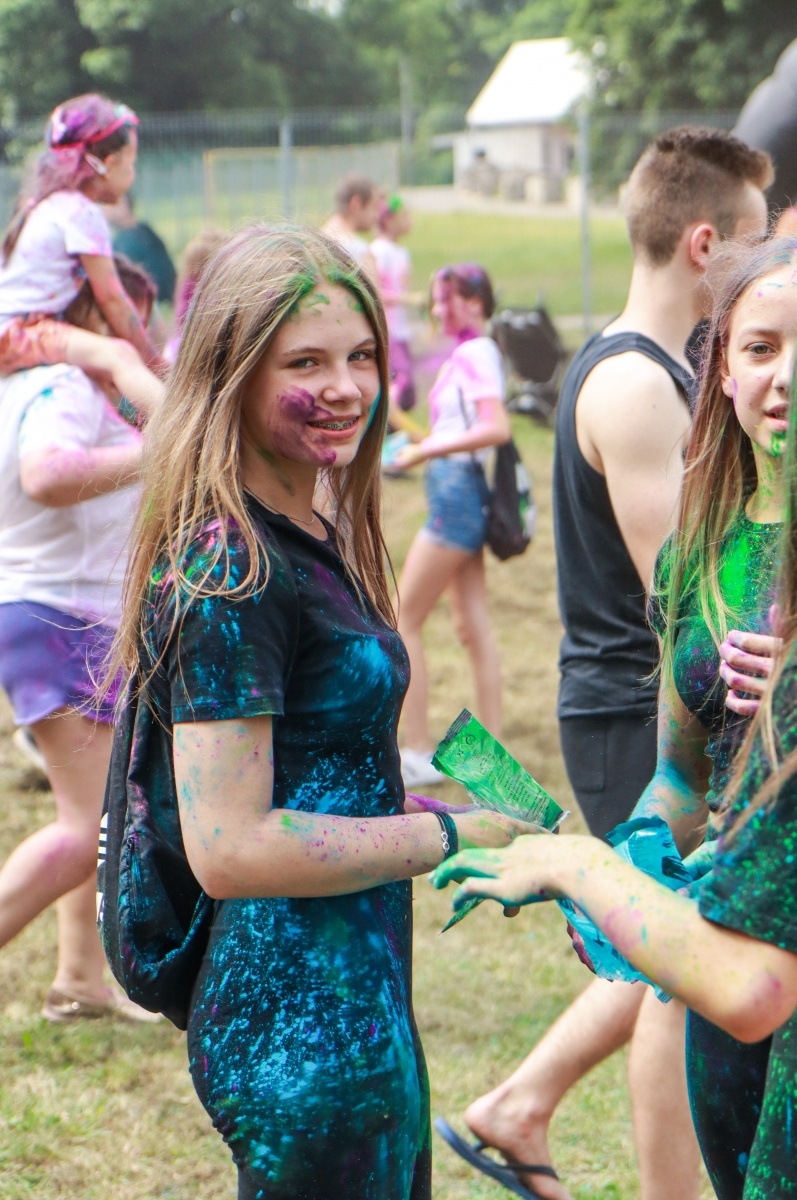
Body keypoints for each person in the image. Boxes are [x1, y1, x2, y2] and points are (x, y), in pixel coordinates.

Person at [101, 225, 538, 1199]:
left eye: (361, 356)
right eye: (304, 362)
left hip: (354, 998)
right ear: (234, 375)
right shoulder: (231, 567)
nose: (344, 387)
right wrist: (450, 835)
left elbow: (324, 754)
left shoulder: (306, 523)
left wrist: (468, 806)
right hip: (298, 1032)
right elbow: (231, 845)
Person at [443, 127, 773, 1200]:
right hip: (637, 704)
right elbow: (693, 608)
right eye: (757, 241)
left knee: (682, 960)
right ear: (705, 245)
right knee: (674, 969)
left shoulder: (643, 369)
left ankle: (523, 1103)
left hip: (670, 706)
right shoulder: (636, 387)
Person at [0, 254, 161, 1022]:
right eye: (126, 318)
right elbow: (47, 474)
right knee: (89, 823)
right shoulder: (60, 385)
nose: (137, 335)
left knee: (91, 808)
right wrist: (159, 454)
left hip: (63, 616)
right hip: (57, 617)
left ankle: (79, 980)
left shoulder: (44, 385)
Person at [392, 263, 511, 790]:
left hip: (457, 497)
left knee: (404, 619)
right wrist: (415, 437)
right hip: (458, 492)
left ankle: (417, 752)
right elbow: (458, 429)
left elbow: (495, 427)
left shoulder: (475, 352)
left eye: (447, 299)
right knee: (470, 625)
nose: (437, 309)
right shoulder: (471, 353)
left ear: (475, 303)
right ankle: (493, 756)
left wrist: (424, 451)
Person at [0, 92, 165, 410]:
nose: (132, 174)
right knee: (120, 355)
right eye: (131, 163)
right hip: (16, 333)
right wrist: (155, 364)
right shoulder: (81, 212)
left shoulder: (49, 203)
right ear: (109, 164)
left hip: (17, 329)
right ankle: (184, 429)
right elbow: (113, 300)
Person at [371, 195, 416, 412]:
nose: (408, 220)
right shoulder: (380, 251)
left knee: (407, 392)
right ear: (388, 220)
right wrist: (409, 299)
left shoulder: (402, 252)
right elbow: (377, 292)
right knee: (400, 380)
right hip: (389, 330)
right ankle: (386, 419)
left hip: (401, 329)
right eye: (403, 215)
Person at [102, 193, 177, 304]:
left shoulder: (126, 241)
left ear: (124, 207)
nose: (104, 210)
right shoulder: (143, 230)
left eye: (108, 205)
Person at [321, 173, 380, 282]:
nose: (377, 215)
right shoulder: (361, 252)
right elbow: (373, 293)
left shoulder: (315, 242)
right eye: (374, 207)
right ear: (356, 204)